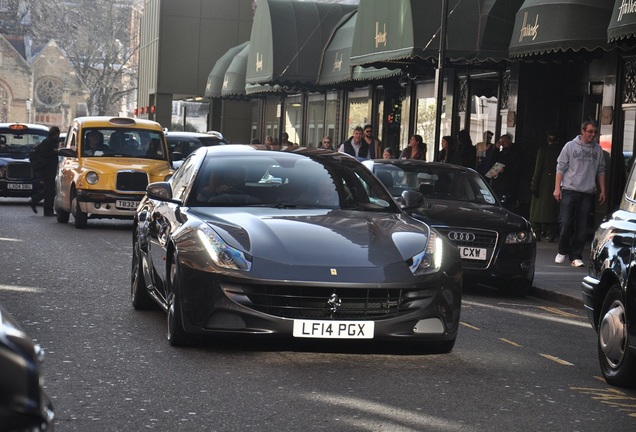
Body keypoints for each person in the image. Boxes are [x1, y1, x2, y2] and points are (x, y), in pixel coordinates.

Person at [553, 121, 606, 267]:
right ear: (583, 131)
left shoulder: (598, 150)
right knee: (566, 222)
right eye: (590, 131)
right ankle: (562, 250)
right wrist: (557, 188)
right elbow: (561, 167)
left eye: (595, 132)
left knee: (582, 226)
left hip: (587, 191)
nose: (592, 135)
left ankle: (575, 256)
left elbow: (601, 170)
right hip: (570, 190)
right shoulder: (570, 146)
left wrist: (603, 189)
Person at [530, 132, 561, 241]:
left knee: (538, 211)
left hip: (542, 184)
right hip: (556, 183)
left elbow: (538, 169)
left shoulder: (543, 151)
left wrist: (534, 186)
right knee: (552, 210)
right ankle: (550, 233)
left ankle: (537, 233)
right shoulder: (560, 151)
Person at [29, 126, 60, 216]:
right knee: (49, 190)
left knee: (49, 190)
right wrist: (55, 152)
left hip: (49, 168)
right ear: (55, 134)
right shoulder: (49, 142)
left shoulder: (51, 141)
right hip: (47, 169)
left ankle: (35, 200)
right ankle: (48, 210)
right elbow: (44, 154)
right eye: (57, 133)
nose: (58, 136)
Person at [489, 134, 522, 205]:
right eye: (501, 142)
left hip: (508, 185)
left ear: (509, 141)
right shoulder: (501, 153)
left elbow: (517, 167)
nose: (502, 144)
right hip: (497, 185)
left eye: (504, 142)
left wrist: (505, 169)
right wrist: (496, 149)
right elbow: (492, 161)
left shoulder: (515, 153)